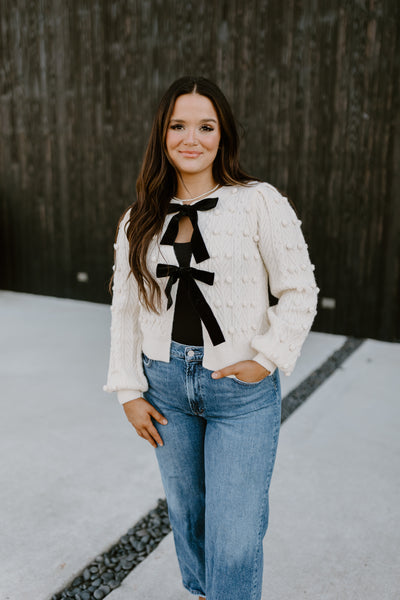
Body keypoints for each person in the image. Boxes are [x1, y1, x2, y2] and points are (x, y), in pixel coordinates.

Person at [103, 75, 319, 600]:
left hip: (238, 392)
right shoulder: (140, 218)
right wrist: (130, 391)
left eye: (206, 126)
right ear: (162, 134)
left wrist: (266, 358)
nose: (191, 138)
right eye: (178, 126)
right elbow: (126, 309)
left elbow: (300, 290)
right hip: (167, 386)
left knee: (237, 531)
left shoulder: (259, 202)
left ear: (222, 135)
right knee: (189, 515)